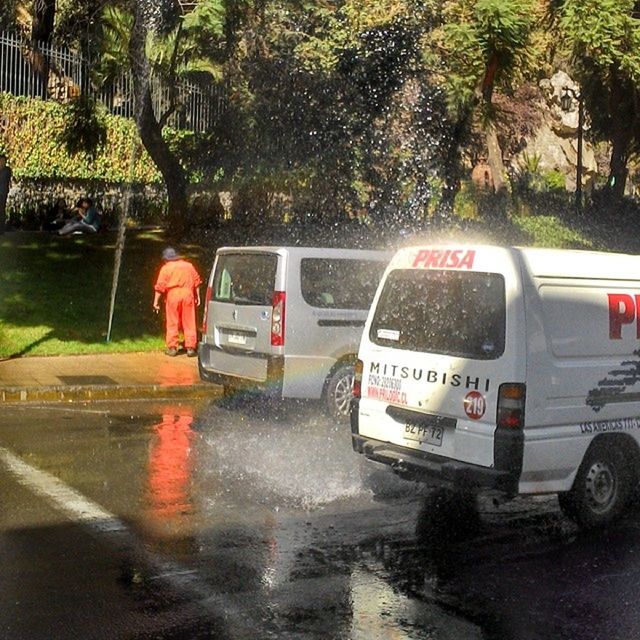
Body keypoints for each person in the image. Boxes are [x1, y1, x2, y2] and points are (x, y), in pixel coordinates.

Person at [153, 247, 202, 357]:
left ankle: (172, 347)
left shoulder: (166, 268)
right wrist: (198, 296)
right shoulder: (188, 266)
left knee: (172, 321)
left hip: (173, 295)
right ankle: (190, 347)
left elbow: (160, 286)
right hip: (188, 294)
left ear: (166, 259)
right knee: (189, 321)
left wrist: (156, 301)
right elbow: (197, 281)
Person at [0, 154, 12, 235]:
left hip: (2, 193)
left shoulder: (7, 170)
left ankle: (1, 230)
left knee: (1, 211)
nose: (2, 162)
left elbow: (3, 179)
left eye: (3, 161)